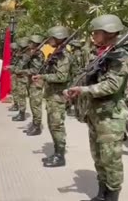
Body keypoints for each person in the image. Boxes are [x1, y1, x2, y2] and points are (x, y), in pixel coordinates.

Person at [64, 14, 128, 201]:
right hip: (95, 114)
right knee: (99, 157)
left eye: (97, 32)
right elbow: (89, 76)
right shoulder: (101, 53)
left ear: (109, 32)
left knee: (111, 159)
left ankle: (112, 195)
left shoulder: (121, 56)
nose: (93, 35)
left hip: (111, 116)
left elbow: (111, 85)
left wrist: (84, 90)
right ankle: (102, 192)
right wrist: (76, 89)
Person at [33, 27, 72, 167]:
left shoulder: (64, 56)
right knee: (52, 125)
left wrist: (43, 76)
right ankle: (56, 152)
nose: (48, 40)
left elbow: (62, 77)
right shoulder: (57, 53)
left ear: (59, 38)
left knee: (56, 126)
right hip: (52, 95)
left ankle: (60, 156)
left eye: (51, 38)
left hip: (58, 96)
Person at [21, 35, 45, 136]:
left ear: (36, 44)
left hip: (37, 82)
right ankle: (35, 124)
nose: (29, 44)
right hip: (32, 82)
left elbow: (36, 70)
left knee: (36, 105)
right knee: (32, 103)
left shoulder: (38, 55)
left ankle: (37, 126)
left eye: (31, 43)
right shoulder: (33, 54)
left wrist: (23, 71)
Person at [8, 37, 31, 122]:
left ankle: (22, 113)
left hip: (23, 77)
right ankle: (20, 111)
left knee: (21, 95)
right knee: (17, 92)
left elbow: (21, 66)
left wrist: (13, 68)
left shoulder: (26, 55)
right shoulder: (20, 54)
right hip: (19, 75)